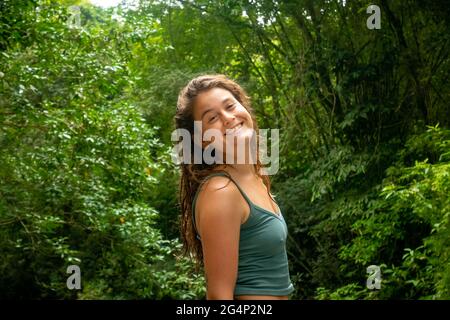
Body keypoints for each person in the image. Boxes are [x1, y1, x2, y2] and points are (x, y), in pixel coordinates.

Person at [175, 74, 294, 300]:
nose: (228, 118)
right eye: (212, 118)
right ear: (201, 139)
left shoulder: (254, 176)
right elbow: (219, 296)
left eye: (230, 106)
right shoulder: (221, 192)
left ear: (243, 106)